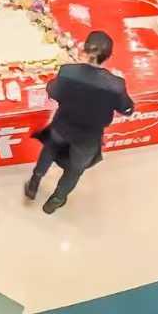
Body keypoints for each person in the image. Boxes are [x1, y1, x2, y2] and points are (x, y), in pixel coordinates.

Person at [24, 30, 133, 213]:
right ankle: (56, 199)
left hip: (61, 127)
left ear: (84, 48)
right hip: (88, 138)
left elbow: (52, 91)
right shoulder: (115, 85)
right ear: (109, 56)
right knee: (74, 170)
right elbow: (127, 109)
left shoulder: (68, 72)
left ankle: (34, 183)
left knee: (49, 151)